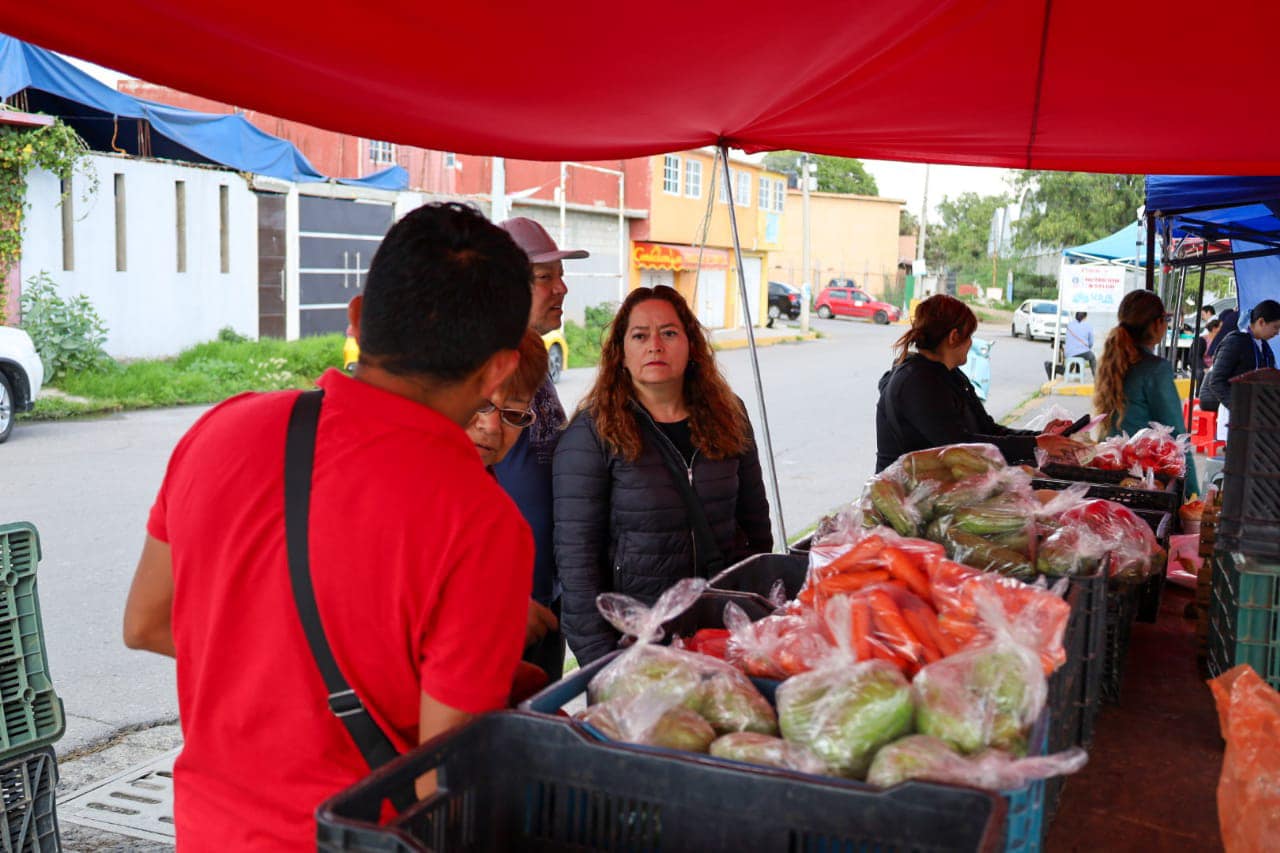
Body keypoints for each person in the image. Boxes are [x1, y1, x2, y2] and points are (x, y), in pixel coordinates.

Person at [122, 203, 536, 849]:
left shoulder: (223, 429)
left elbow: (146, 621)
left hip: (207, 830)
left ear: (356, 317)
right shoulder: (481, 522)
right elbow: (445, 784)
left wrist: (266, 668)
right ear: (500, 368)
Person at [554, 286, 773, 665]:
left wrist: (758, 610)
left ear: (691, 347)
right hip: (638, 645)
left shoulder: (729, 415)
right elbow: (577, 564)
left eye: (669, 333)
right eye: (640, 335)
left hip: (723, 631)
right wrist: (601, 663)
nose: (655, 344)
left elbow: (756, 522)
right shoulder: (593, 433)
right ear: (621, 354)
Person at [493, 216, 589, 682]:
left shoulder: (534, 362)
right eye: (545, 277)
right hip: (504, 605)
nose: (561, 288)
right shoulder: (485, 372)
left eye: (560, 275)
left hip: (550, 592)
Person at [876, 294, 1083, 472]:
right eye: (970, 336)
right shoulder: (916, 383)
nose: (971, 344)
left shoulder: (951, 376)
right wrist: (1035, 444)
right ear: (954, 337)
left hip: (941, 488)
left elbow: (988, 430)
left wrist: (1041, 437)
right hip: (908, 501)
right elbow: (959, 446)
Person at [463, 330, 560, 652]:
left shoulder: (486, 491)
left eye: (513, 415)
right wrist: (494, 612)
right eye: (481, 403)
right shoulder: (412, 486)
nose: (491, 427)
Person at [1093, 289, 1199, 496]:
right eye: (1165, 319)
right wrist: (1193, 493)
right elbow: (1178, 437)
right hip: (1145, 483)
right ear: (1156, 324)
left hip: (1107, 472)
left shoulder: (1112, 362)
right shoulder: (1156, 369)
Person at [1200, 299, 1280, 440]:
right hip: (1236, 413)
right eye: (1275, 327)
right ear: (1261, 322)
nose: (1277, 332)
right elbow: (1216, 381)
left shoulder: (1265, 348)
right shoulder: (1234, 342)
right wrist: (1239, 407)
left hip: (1257, 413)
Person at [1064, 311, 1097, 376]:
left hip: (1069, 353)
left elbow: (1068, 339)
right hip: (1083, 352)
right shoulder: (1088, 326)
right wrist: (1087, 348)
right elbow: (1091, 342)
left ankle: (1074, 373)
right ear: (1085, 317)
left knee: (1076, 355)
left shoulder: (1069, 325)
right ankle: (1095, 376)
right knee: (1092, 357)